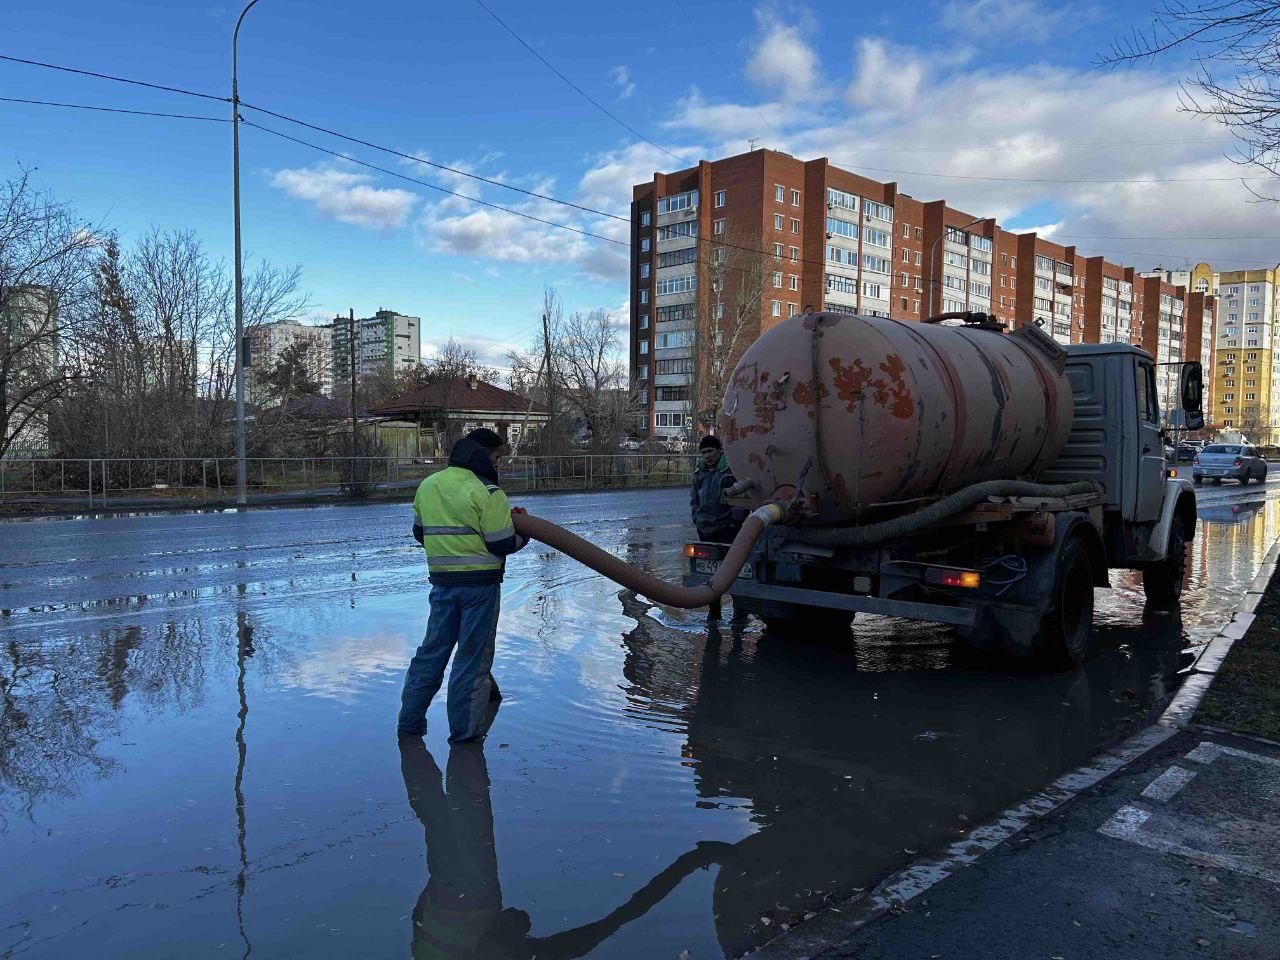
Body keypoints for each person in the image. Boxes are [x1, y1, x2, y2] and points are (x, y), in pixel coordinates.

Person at [398, 428, 527, 743]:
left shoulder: (428, 486)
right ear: (481, 454)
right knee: (471, 661)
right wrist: (525, 532)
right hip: (480, 590)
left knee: (431, 653)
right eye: (496, 458)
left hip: (442, 587)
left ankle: (409, 726)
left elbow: (421, 533)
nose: (498, 465)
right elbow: (502, 543)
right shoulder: (488, 492)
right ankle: (465, 739)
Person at [690, 435, 743, 620]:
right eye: (703, 452)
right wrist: (696, 517)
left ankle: (740, 612)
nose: (707, 456)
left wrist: (734, 523)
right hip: (705, 529)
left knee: (735, 571)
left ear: (719, 451)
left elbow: (741, 502)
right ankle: (714, 612)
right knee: (710, 573)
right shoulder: (699, 473)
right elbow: (694, 500)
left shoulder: (730, 472)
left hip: (727, 530)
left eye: (710, 451)